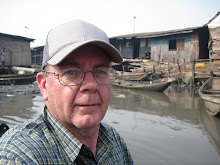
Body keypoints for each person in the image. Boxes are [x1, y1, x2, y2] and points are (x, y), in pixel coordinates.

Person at [0, 20, 133, 164]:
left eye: (100, 71)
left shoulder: (114, 141)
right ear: (44, 86)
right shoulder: (19, 157)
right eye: (71, 72)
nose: (91, 85)